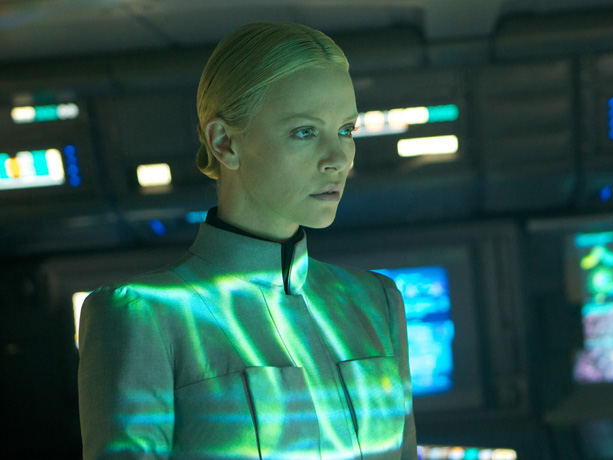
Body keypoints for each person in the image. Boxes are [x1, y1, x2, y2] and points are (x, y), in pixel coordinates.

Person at [78, 22, 417, 460]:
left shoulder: (377, 302)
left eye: (346, 130)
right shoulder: (143, 315)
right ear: (225, 143)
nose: (338, 159)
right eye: (305, 131)